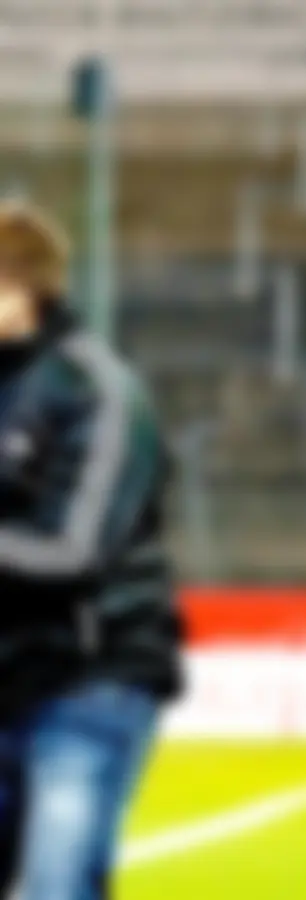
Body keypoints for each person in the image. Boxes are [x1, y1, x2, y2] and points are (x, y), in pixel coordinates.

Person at [0, 201, 184, 899]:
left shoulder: (98, 391)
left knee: (57, 883)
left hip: (90, 673)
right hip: (6, 672)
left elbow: (74, 552)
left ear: (25, 287)